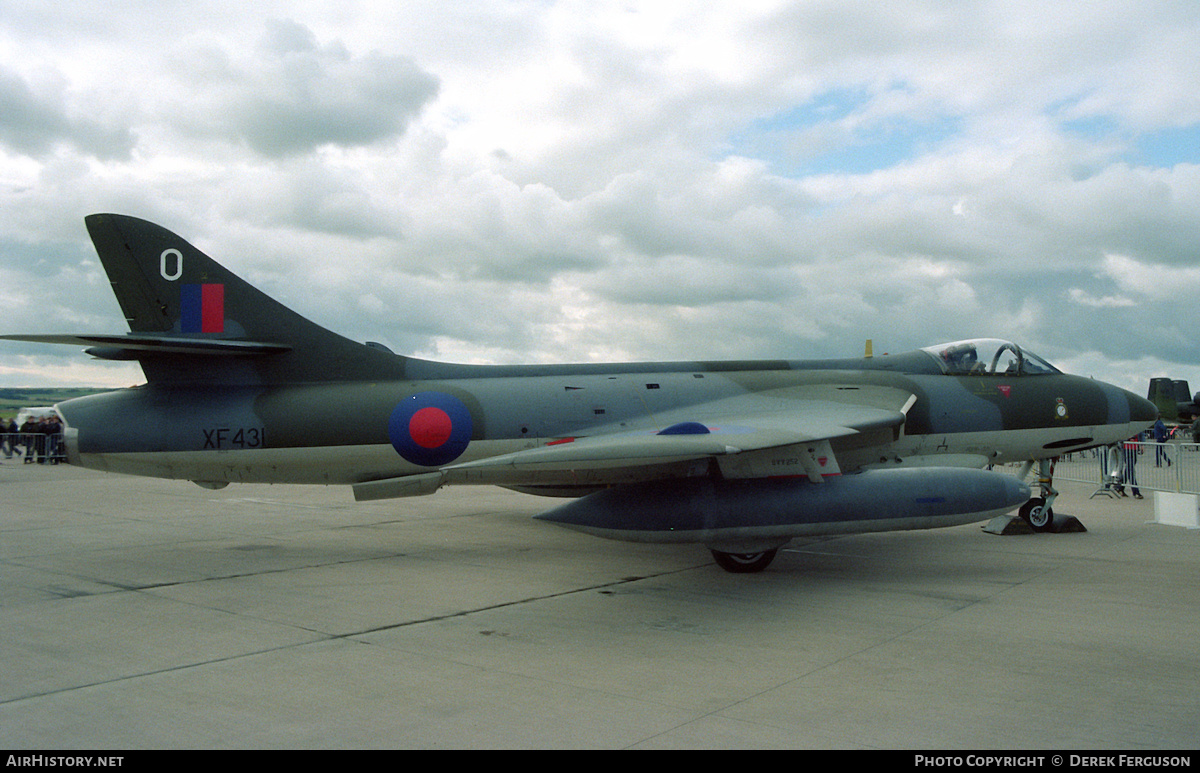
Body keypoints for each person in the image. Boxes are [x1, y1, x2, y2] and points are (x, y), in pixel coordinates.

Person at [1116, 432, 1143, 499]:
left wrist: (1141, 444)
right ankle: (1136, 492)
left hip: (1134, 448)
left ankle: (1120, 488)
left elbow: (1141, 433)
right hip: (1127, 448)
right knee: (1130, 470)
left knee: (1128, 470)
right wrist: (1128, 438)